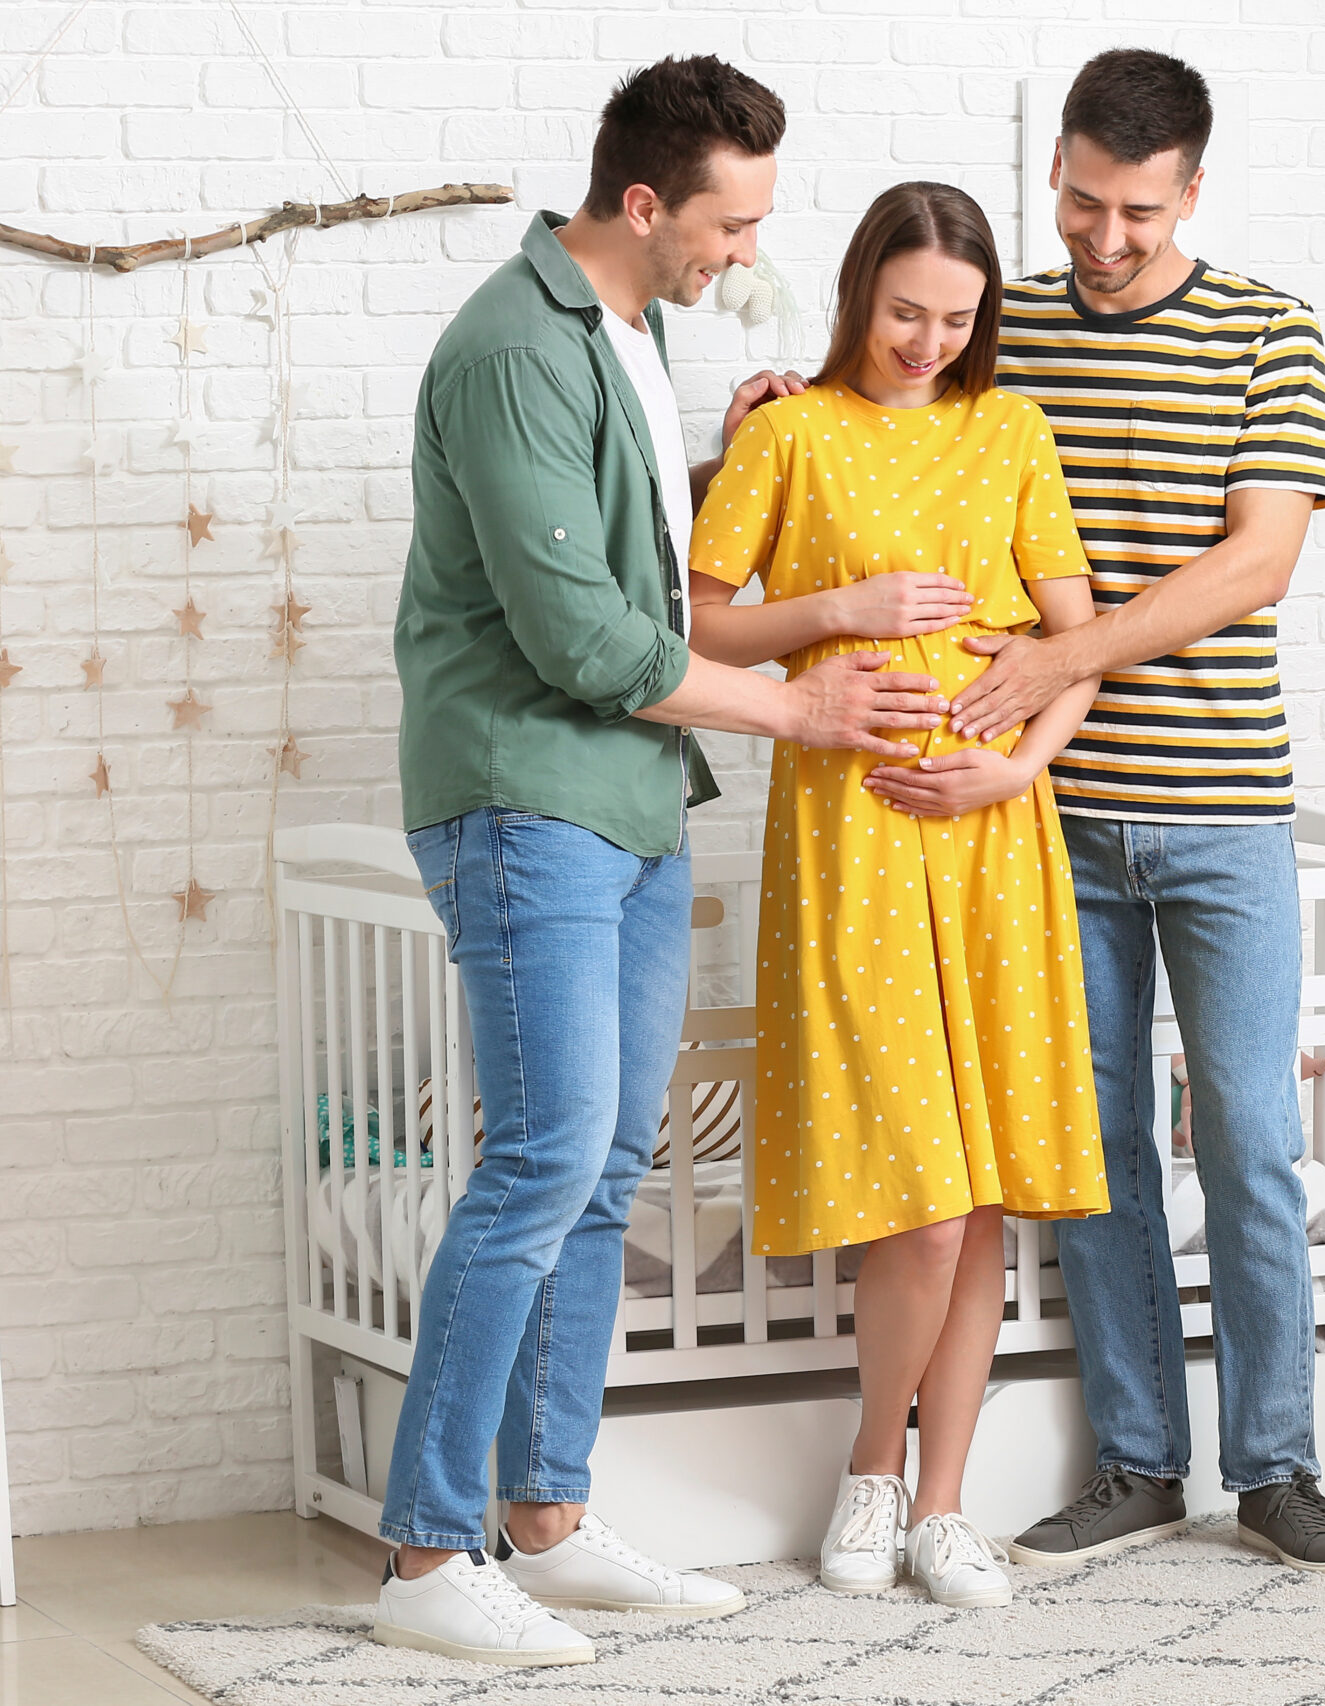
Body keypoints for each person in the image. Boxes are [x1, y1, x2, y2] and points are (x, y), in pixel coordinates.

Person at [374, 57, 949, 1668]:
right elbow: (578, 636)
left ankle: (545, 1519)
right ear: (644, 204)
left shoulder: (637, 336)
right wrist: (797, 705)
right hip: (526, 791)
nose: (744, 256)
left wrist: (711, 457)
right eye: (727, 223)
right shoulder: (508, 348)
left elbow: (623, 552)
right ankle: (427, 1550)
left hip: (625, 799)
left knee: (612, 1158)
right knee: (546, 1156)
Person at [965, 50, 1325, 1575]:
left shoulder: (1271, 330)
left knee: (1254, 1139)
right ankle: (1140, 1460)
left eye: (1136, 209)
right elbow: (900, 443)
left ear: (1191, 189)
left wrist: (1060, 654)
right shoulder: (1004, 330)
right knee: (1098, 1141)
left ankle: (1278, 1467)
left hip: (1224, 811)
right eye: (1080, 201)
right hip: (1053, 818)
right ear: (1058, 171)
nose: (1103, 236)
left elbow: (1253, 564)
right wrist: (775, 406)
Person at [687, 181, 1109, 1609]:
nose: (929, 339)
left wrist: (1024, 770)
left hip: (994, 838)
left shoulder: (1013, 432)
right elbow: (695, 618)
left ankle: (944, 1507)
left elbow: (1079, 642)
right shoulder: (789, 431)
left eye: (957, 316)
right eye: (905, 310)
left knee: (980, 1193)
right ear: (862, 292)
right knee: (920, 1200)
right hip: (854, 836)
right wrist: (836, 616)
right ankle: (873, 1470)